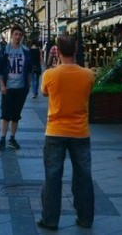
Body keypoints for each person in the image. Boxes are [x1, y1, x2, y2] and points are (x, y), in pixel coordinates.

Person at [38, 34, 95, 230]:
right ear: (76, 49)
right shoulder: (88, 74)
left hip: (55, 131)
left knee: (53, 177)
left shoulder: (50, 75)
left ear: (58, 51)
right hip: (80, 132)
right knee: (83, 176)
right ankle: (85, 218)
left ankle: (50, 220)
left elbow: (45, 92)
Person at [0, 25, 32, 151]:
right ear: (11, 35)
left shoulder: (25, 51)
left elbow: (29, 69)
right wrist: (2, 85)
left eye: (20, 35)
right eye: (16, 34)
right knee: (5, 115)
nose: (18, 37)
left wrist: (28, 83)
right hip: (8, 88)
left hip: (21, 88)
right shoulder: (5, 50)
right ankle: (2, 139)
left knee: (16, 115)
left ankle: (12, 138)